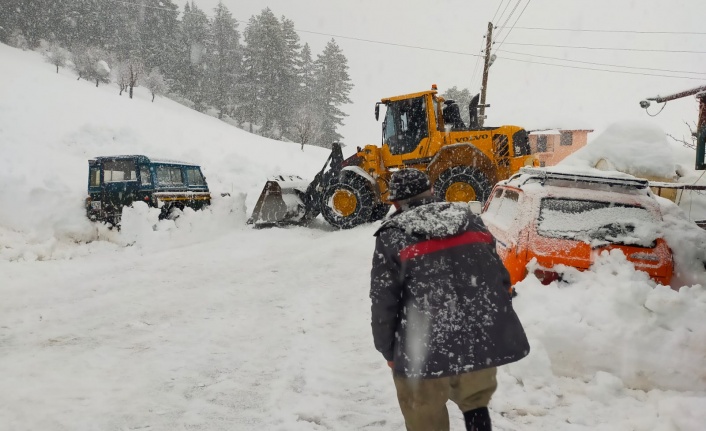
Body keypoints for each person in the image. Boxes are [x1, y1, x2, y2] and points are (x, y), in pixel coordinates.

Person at [369, 168, 530, 431]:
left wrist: (388, 350)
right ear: (432, 192)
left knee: (423, 412)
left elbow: (383, 303)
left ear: (396, 202)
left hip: (421, 346)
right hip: (475, 335)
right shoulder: (470, 220)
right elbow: (499, 276)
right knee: (475, 403)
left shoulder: (393, 235)